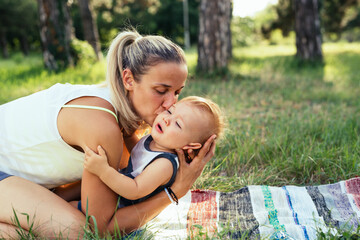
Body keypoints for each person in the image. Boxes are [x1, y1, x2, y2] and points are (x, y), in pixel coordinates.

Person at [0, 30, 217, 238]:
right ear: (129, 80)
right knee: (76, 232)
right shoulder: (102, 125)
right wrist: (174, 192)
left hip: (13, 178)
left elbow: (134, 170)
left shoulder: (118, 111)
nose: (171, 103)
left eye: (177, 92)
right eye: (161, 91)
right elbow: (99, 229)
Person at [82, 96, 225, 208]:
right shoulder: (156, 141)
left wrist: (103, 171)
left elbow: (134, 190)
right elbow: (140, 154)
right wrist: (129, 135)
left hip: (120, 206)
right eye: (170, 111)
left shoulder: (165, 164)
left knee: (75, 208)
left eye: (177, 124)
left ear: (190, 146)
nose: (167, 119)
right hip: (115, 190)